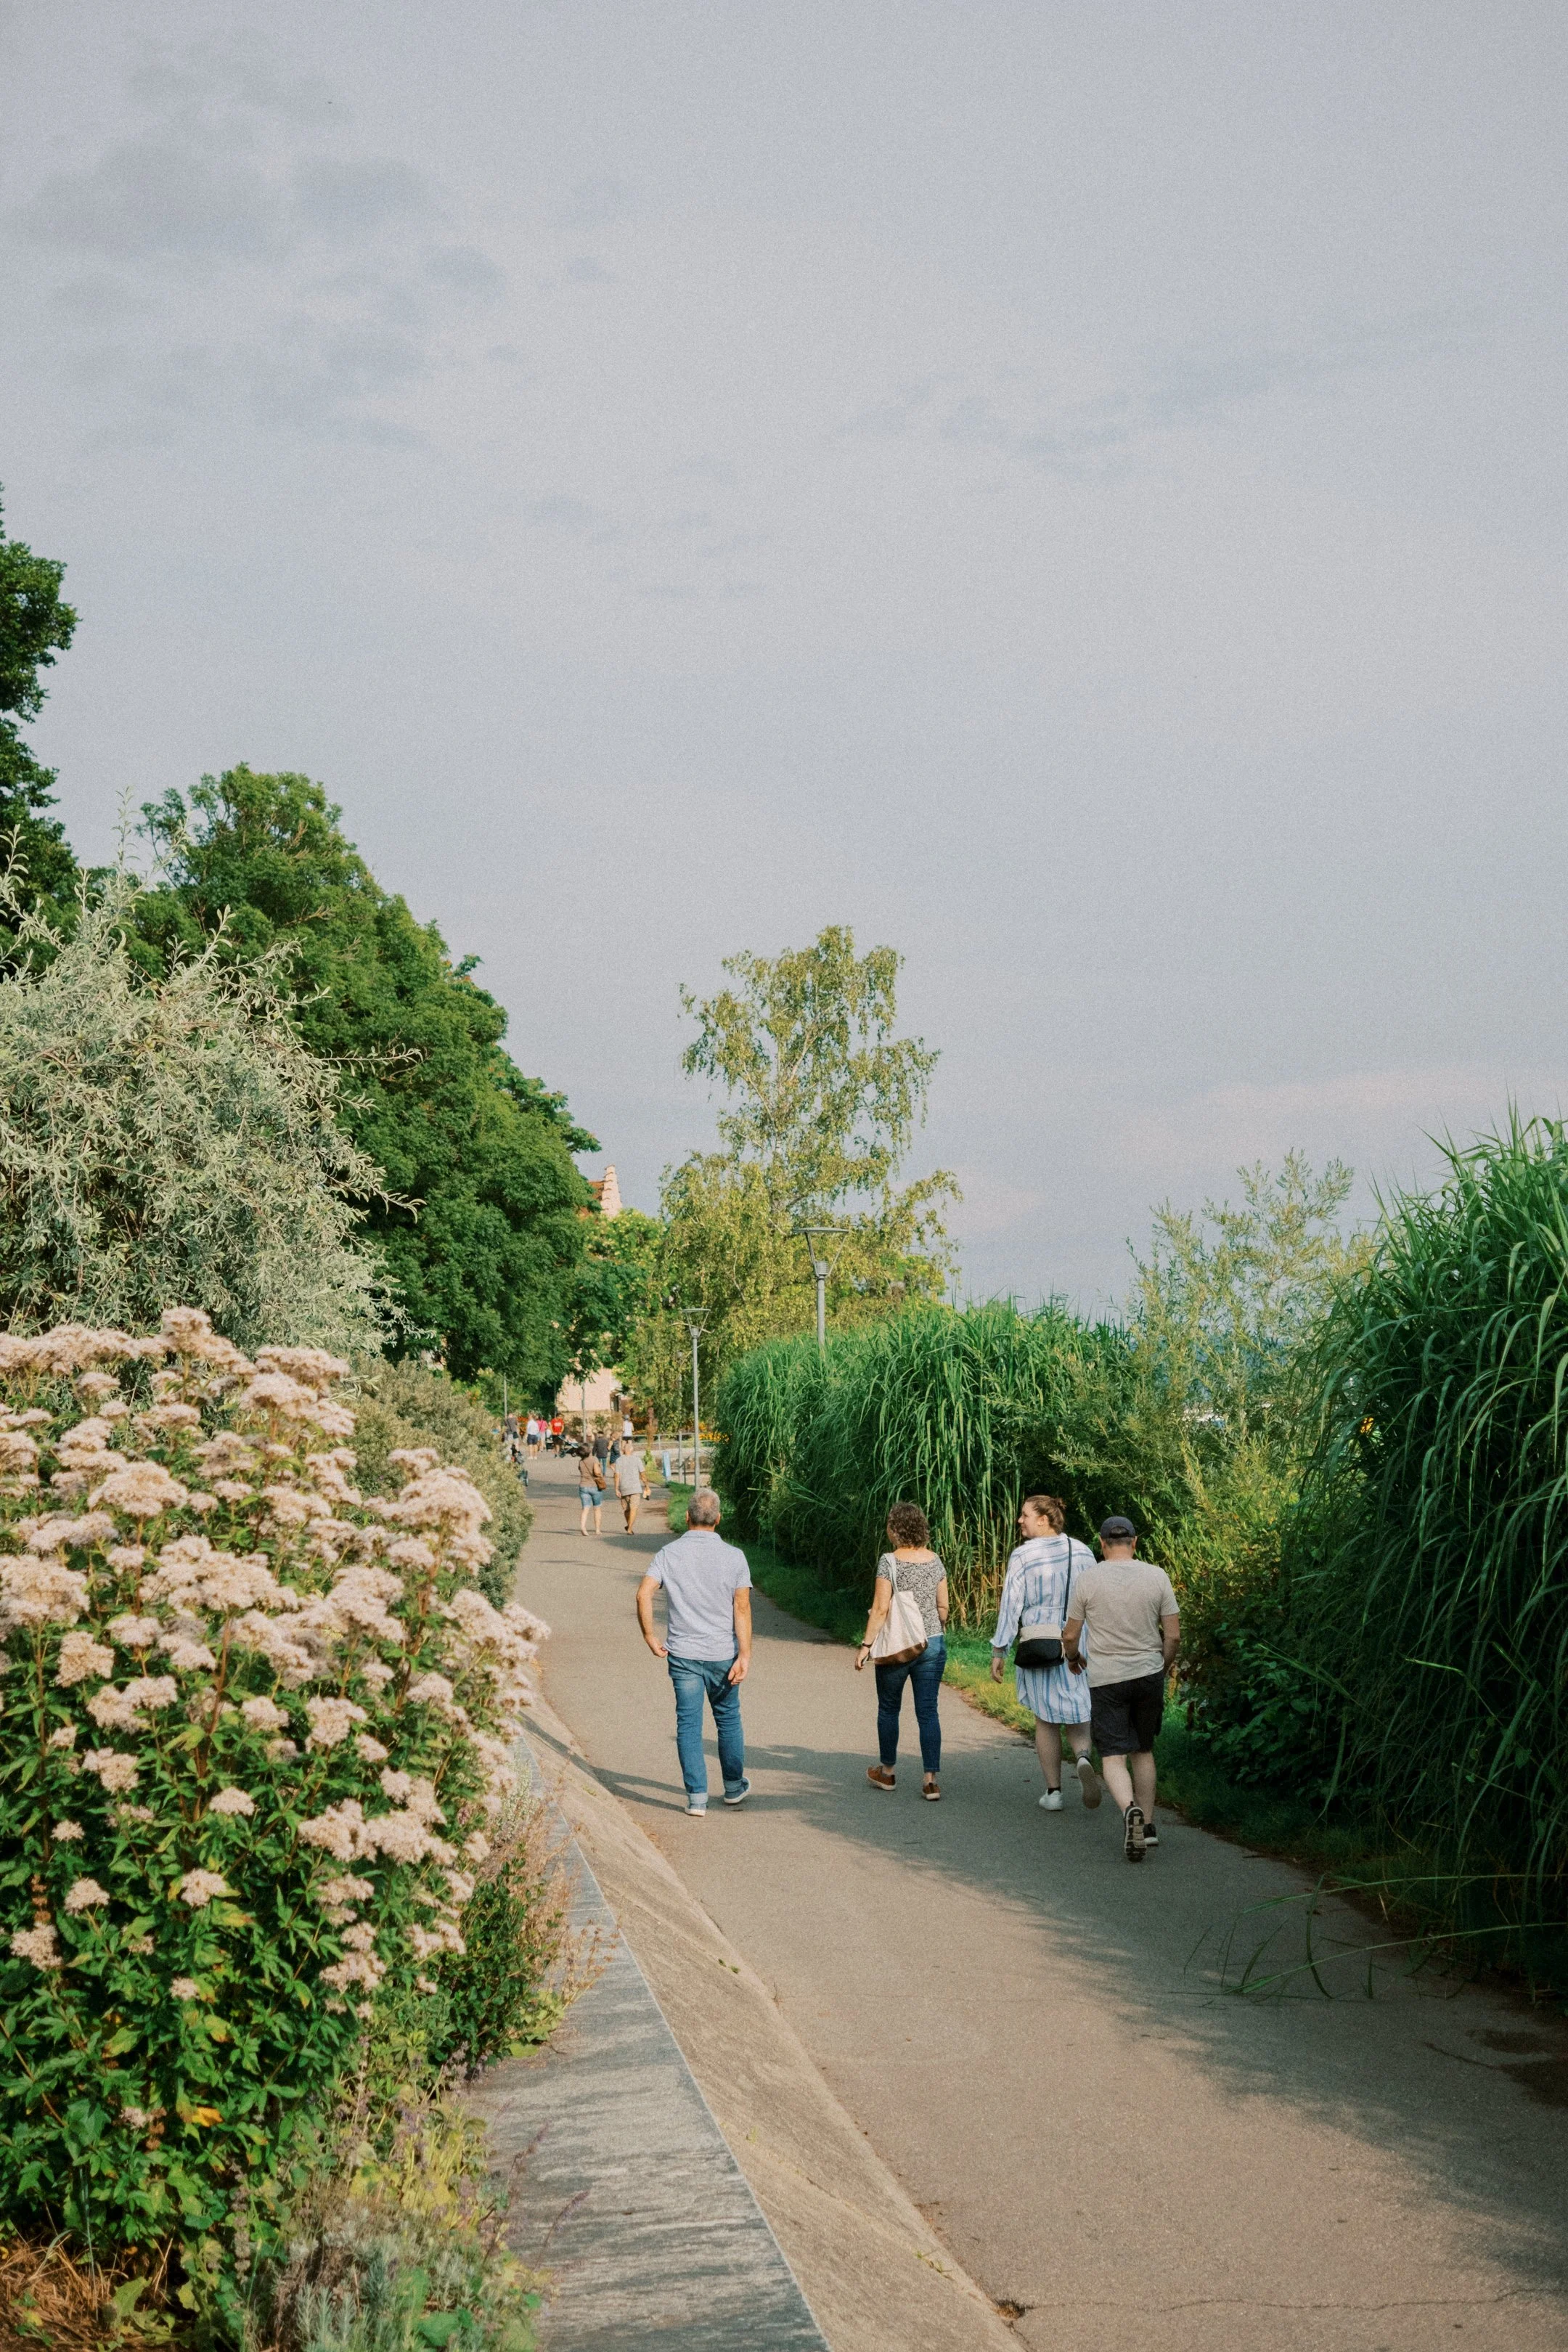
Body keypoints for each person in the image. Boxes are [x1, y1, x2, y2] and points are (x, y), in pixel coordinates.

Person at [1061, 1516, 1180, 1863]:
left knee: (1113, 1754)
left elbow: (1070, 1634)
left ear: (1101, 1543)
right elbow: (1172, 1635)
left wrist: (1073, 1658)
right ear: (1135, 1542)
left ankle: (1129, 1811)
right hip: (1148, 1674)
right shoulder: (1157, 1576)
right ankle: (1149, 1825)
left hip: (1107, 1678)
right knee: (1143, 1750)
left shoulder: (1088, 1579)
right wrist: (1163, 1666)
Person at [637, 1487, 752, 1816]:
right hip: (722, 1654)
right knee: (728, 1719)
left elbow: (643, 1595)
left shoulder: (668, 1554)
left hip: (683, 1654)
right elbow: (741, 1609)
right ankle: (733, 1787)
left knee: (688, 1724)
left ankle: (697, 1798)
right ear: (719, 1519)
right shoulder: (735, 1557)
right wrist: (744, 1655)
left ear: (687, 1518)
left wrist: (649, 1635)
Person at [989, 1494, 1101, 1813]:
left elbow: (1012, 1605)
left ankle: (1054, 1793)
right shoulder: (1082, 1551)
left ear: (1044, 1519)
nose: (1019, 1520)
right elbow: (1094, 1599)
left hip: (1040, 1641)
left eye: (1024, 1515)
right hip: (1079, 1641)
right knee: (1079, 1708)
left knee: (1046, 1718)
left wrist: (1000, 1648)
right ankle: (1082, 1758)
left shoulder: (1023, 1555)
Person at [856, 1500, 948, 1800]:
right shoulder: (936, 1561)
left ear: (895, 1530)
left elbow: (881, 1607)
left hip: (897, 1645)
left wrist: (866, 1645)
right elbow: (943, 1608)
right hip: (932, 1642)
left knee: (889, 1708)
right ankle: (930, 1780)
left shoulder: (889, 1561)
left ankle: (888, 1772)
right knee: (928, 1711)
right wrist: (934, 1625)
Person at [614, 1441, 648, 1532]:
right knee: (633, 1508)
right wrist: (647, 1486)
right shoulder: (637, 1459)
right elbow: (643, 1474)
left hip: (624, 1488)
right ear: (632, 1451)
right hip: (635, 1488)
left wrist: (616, 1489)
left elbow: (617, 1475)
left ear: (623, 1450)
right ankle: (629, 1528)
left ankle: (629, 1527)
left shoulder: (619, 1460)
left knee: (626, 1510)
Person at [576, 1451, 605, 1538]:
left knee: (585, 1508)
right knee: (597, 1508)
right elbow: (597, 1472)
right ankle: (597, 1530)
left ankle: (583, 1527)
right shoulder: (594, 1459)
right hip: (594, 1486)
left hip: (583, 1486)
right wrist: (600, 1470)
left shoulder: (581, 1461)